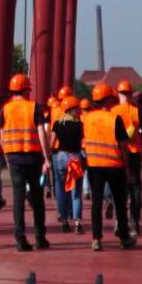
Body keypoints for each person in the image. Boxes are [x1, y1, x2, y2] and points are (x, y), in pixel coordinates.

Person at [0, 74, 50, 251]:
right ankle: (40, 236)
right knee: (37, 198)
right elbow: (42, 133)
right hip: (33, 157)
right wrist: (46, 157)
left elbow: (1, 133)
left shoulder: (5, 109)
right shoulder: (34, 107)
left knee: (18, 198)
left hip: (14, 158)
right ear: (27, 89)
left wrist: (6, 154)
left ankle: (20, 238)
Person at [81, 84, 135, 250]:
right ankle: (124, 238)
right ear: (108, 99)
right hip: (114, 165)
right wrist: (126, 167)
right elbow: (124, 145)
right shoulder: (114, 119)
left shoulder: (87, 119)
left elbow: (83, 141)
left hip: (94, 165)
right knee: (120, 202)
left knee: (96, 203)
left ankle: (96, 239)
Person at [51, 96, 86, 234]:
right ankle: (77, 222)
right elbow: (84, 142)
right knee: (76, 192)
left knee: (61, 190)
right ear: (72, 109)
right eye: (77, 108)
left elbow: (52, 142)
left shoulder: (57, 124)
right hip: (75, 158)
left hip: (60, 157)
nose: (79, 110)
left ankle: (64, 220)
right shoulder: (79, 125)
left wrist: (47, 158)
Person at [114, 80, 142, 231]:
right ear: (131, 94)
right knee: (135, 189)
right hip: (134, 153)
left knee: (120, 189)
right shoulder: (137, 111)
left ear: (118, 93)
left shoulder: (113, 111)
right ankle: (135, 222)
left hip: (118, 154)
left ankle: (120, 222)